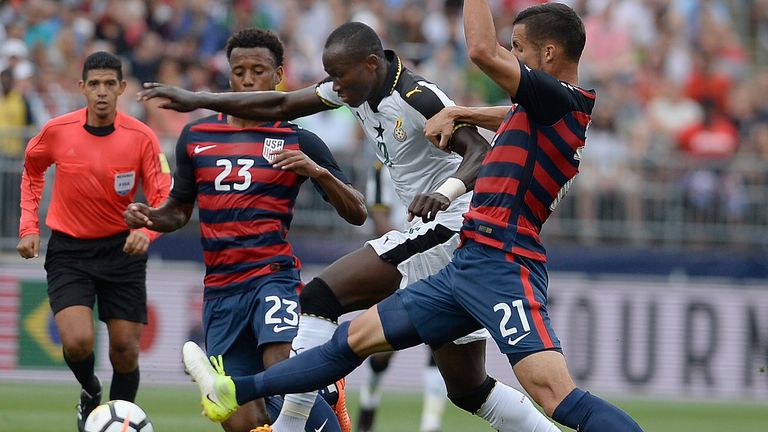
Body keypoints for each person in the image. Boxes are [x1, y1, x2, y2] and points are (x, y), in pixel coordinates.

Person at [178, 3, 647, 432]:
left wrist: (444, 190)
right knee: (380, 352)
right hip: (467, 260)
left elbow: (483, 53)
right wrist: (461, 111)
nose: (513, 56)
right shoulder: (541, 107)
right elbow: (510, 114)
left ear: (548, 53)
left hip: (499, 257)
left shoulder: (559, 101)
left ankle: (284, 421)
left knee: (556, 396)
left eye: (519, 47)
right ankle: (234, 390)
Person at [124, 28, 366, 432]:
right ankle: (328, 392)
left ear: (278, 75)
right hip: (221, 290)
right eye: (240, 71)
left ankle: (325, 402)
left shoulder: (296, 137)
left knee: (281, 376)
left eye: (258, 70)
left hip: (271, 276)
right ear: (229, 76)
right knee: (241, 420)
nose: (248, 79)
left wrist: (317, 171)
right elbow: (179, 211)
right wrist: (151, 215)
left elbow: (356, 212)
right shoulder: (196, 136)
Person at [17, 51, 172, 432]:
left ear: (121, 89)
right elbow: (32, 170)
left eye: (109, 84)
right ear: (82, 87)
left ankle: (117, 425)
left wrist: (146, 230)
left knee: (125, 350)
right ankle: (90, 391)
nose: (102, 92)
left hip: (123, 249)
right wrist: (28, 226)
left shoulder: (142, 137)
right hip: (70, 249)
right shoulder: (56, 131)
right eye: (95, 84)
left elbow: (163, 192)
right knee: (78, 342)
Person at [357, 162, 447, 432]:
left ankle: (430, 426)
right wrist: (408, 246)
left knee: (440, 345)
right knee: (383, 346)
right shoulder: (382, 164)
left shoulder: (442, 161)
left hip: (436, 260)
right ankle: (368, 407)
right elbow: (377, 213)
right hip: (399, 260)